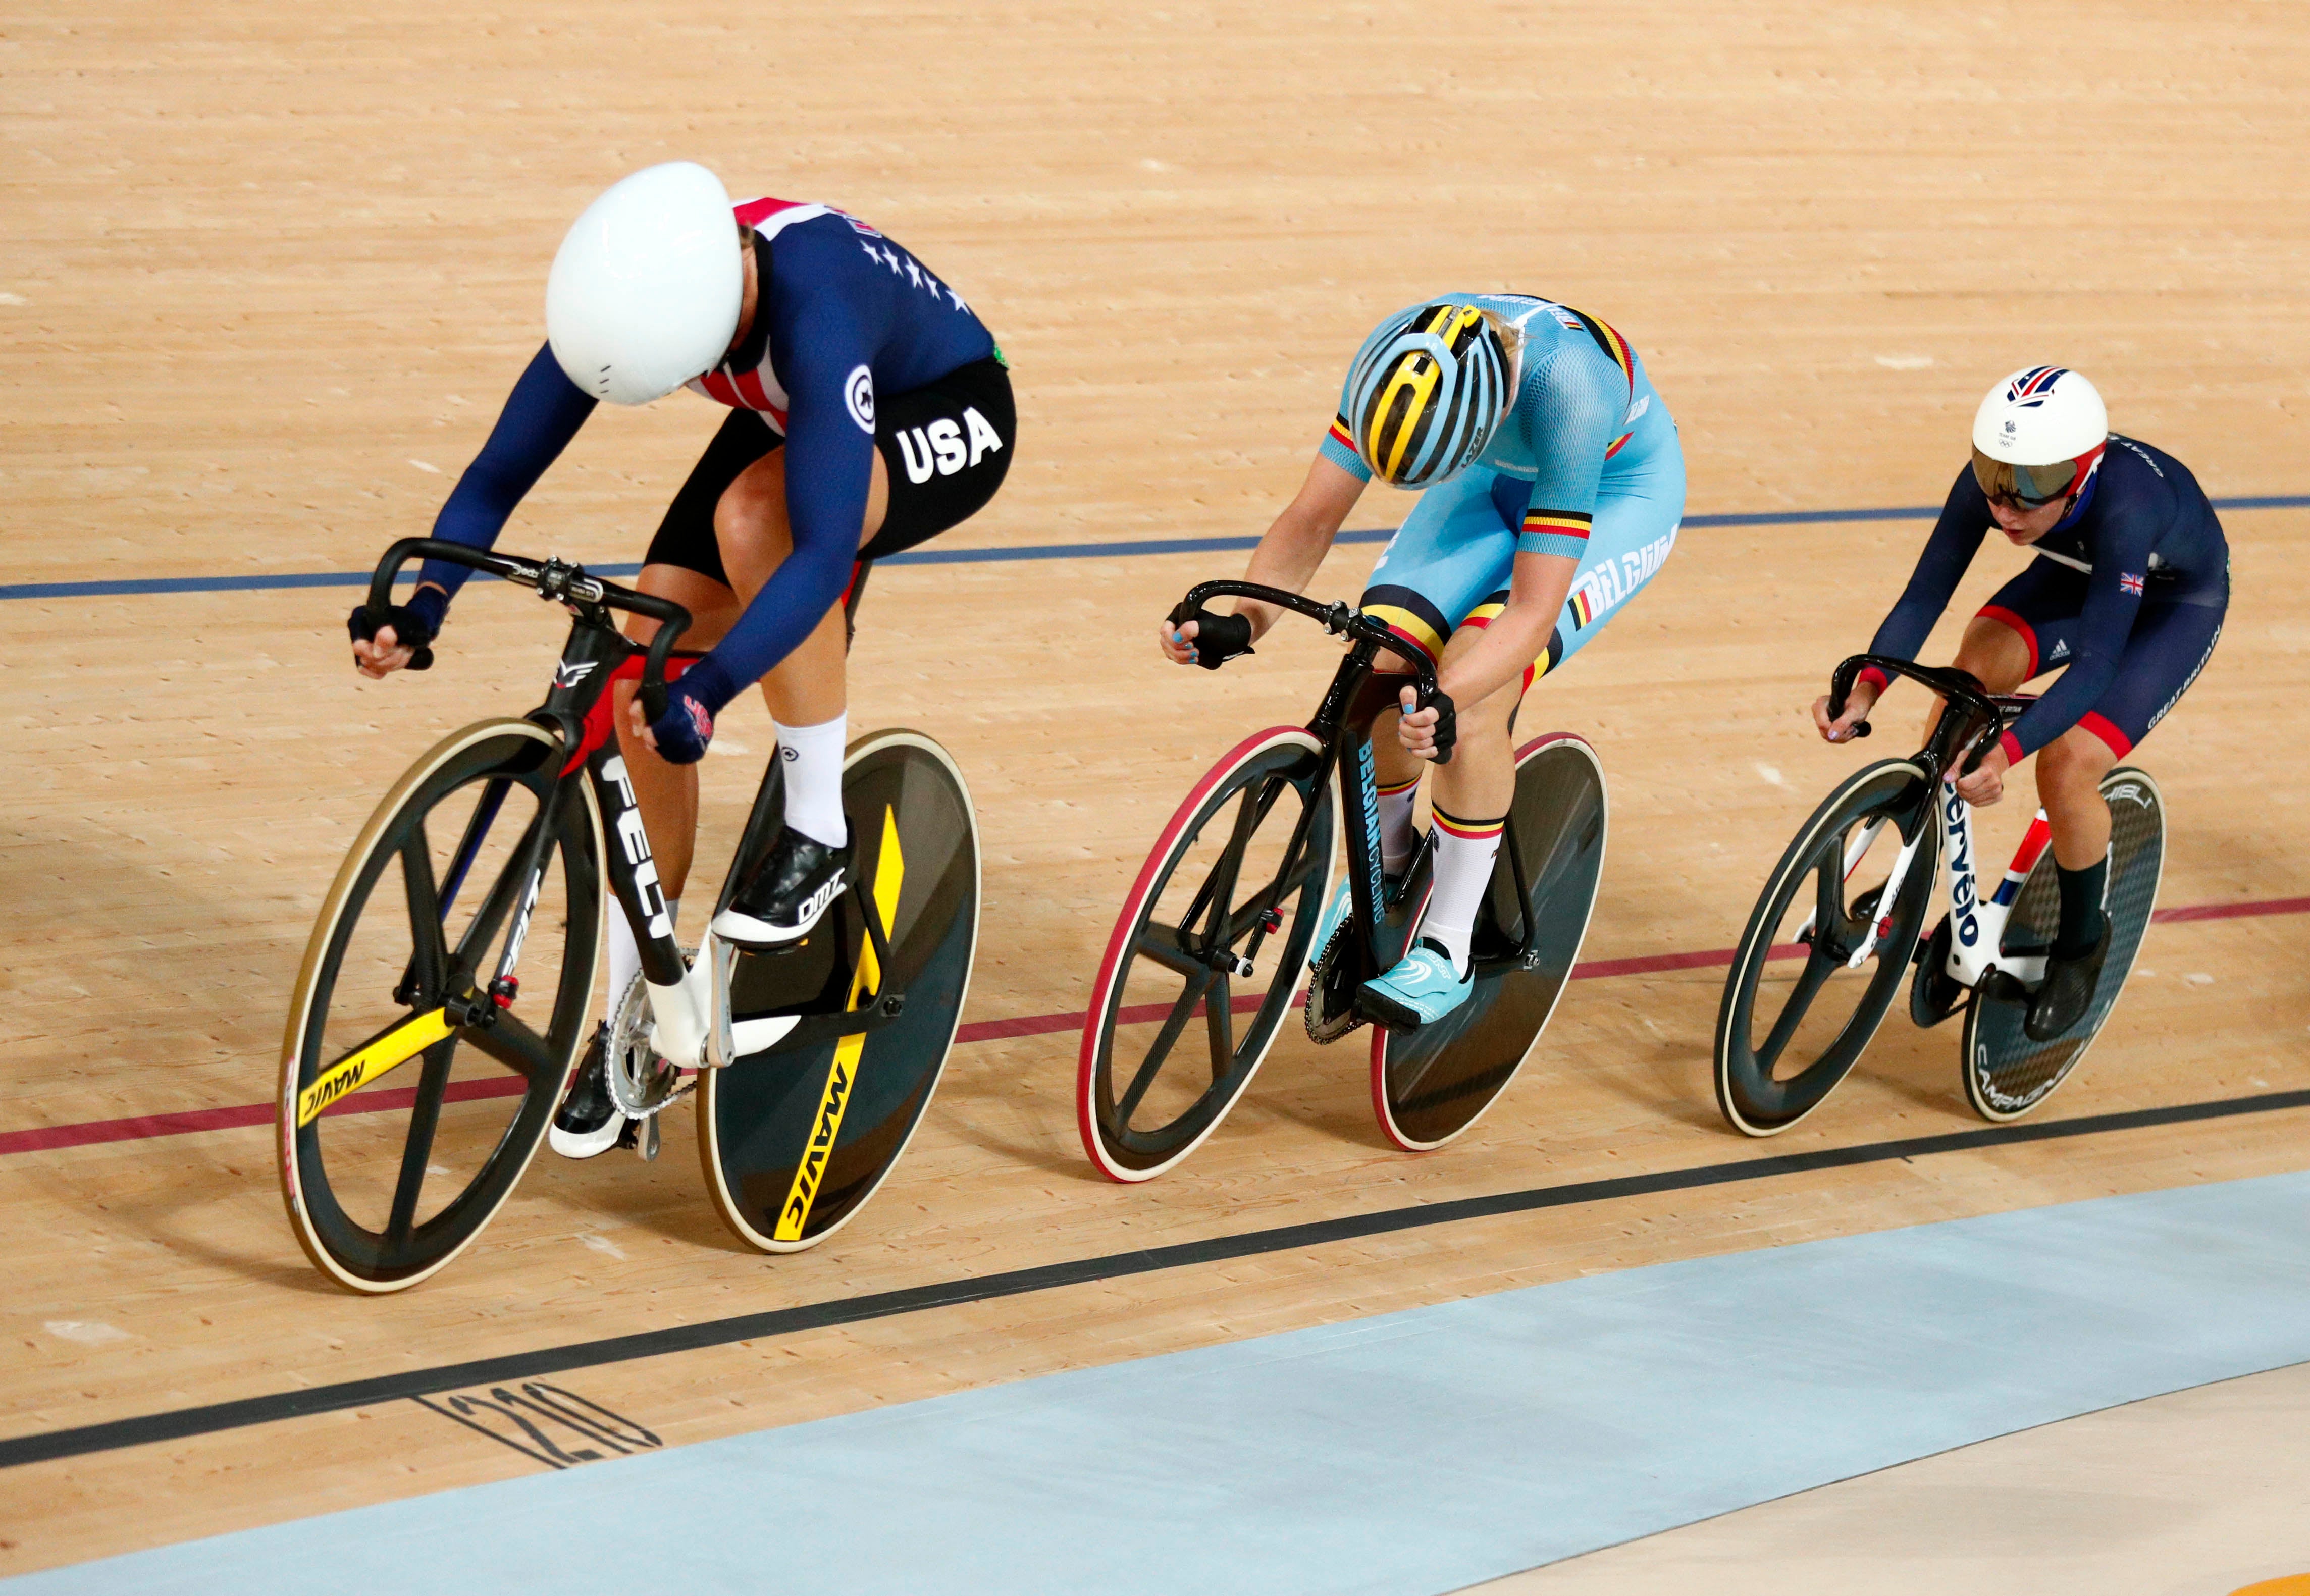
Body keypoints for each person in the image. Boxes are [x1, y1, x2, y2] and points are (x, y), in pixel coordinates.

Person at [347, 162, 1015, 1155]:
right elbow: (499, 472)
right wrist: (427, 602)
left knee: (758, 520)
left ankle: (819, 831)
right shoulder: (636, 283)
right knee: (638, 657)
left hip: (945, 405)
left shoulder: (816, 299)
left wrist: (709, 692)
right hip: (794, 405)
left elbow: (825, 547)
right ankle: (636, 1024)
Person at [1162, 297, 1683, 1028]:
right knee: (1378, 667)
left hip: (1613, 491)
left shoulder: (1570, 389)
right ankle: (1394, 868)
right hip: (1484, 479)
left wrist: (1448, 695)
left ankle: (1448, 946)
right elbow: (1313, 517)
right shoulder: (1390, 361)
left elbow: (1531, 613)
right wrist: (1244, 621)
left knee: (1469, 700)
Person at [1814, 366, 2226, 1040]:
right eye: (1994, 480)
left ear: (2085, 472)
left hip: (2168, 608)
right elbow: (1925, 596)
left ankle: (2081, 945)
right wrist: (1866, 690)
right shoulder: (2004, 481)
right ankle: (1923, 877)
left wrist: (2005, 753)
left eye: (2030, 492)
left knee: (2064, 765)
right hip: (2075, 580)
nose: (2005, 507)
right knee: (1963, 685)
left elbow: (2097, 666)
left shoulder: (2130, 506)